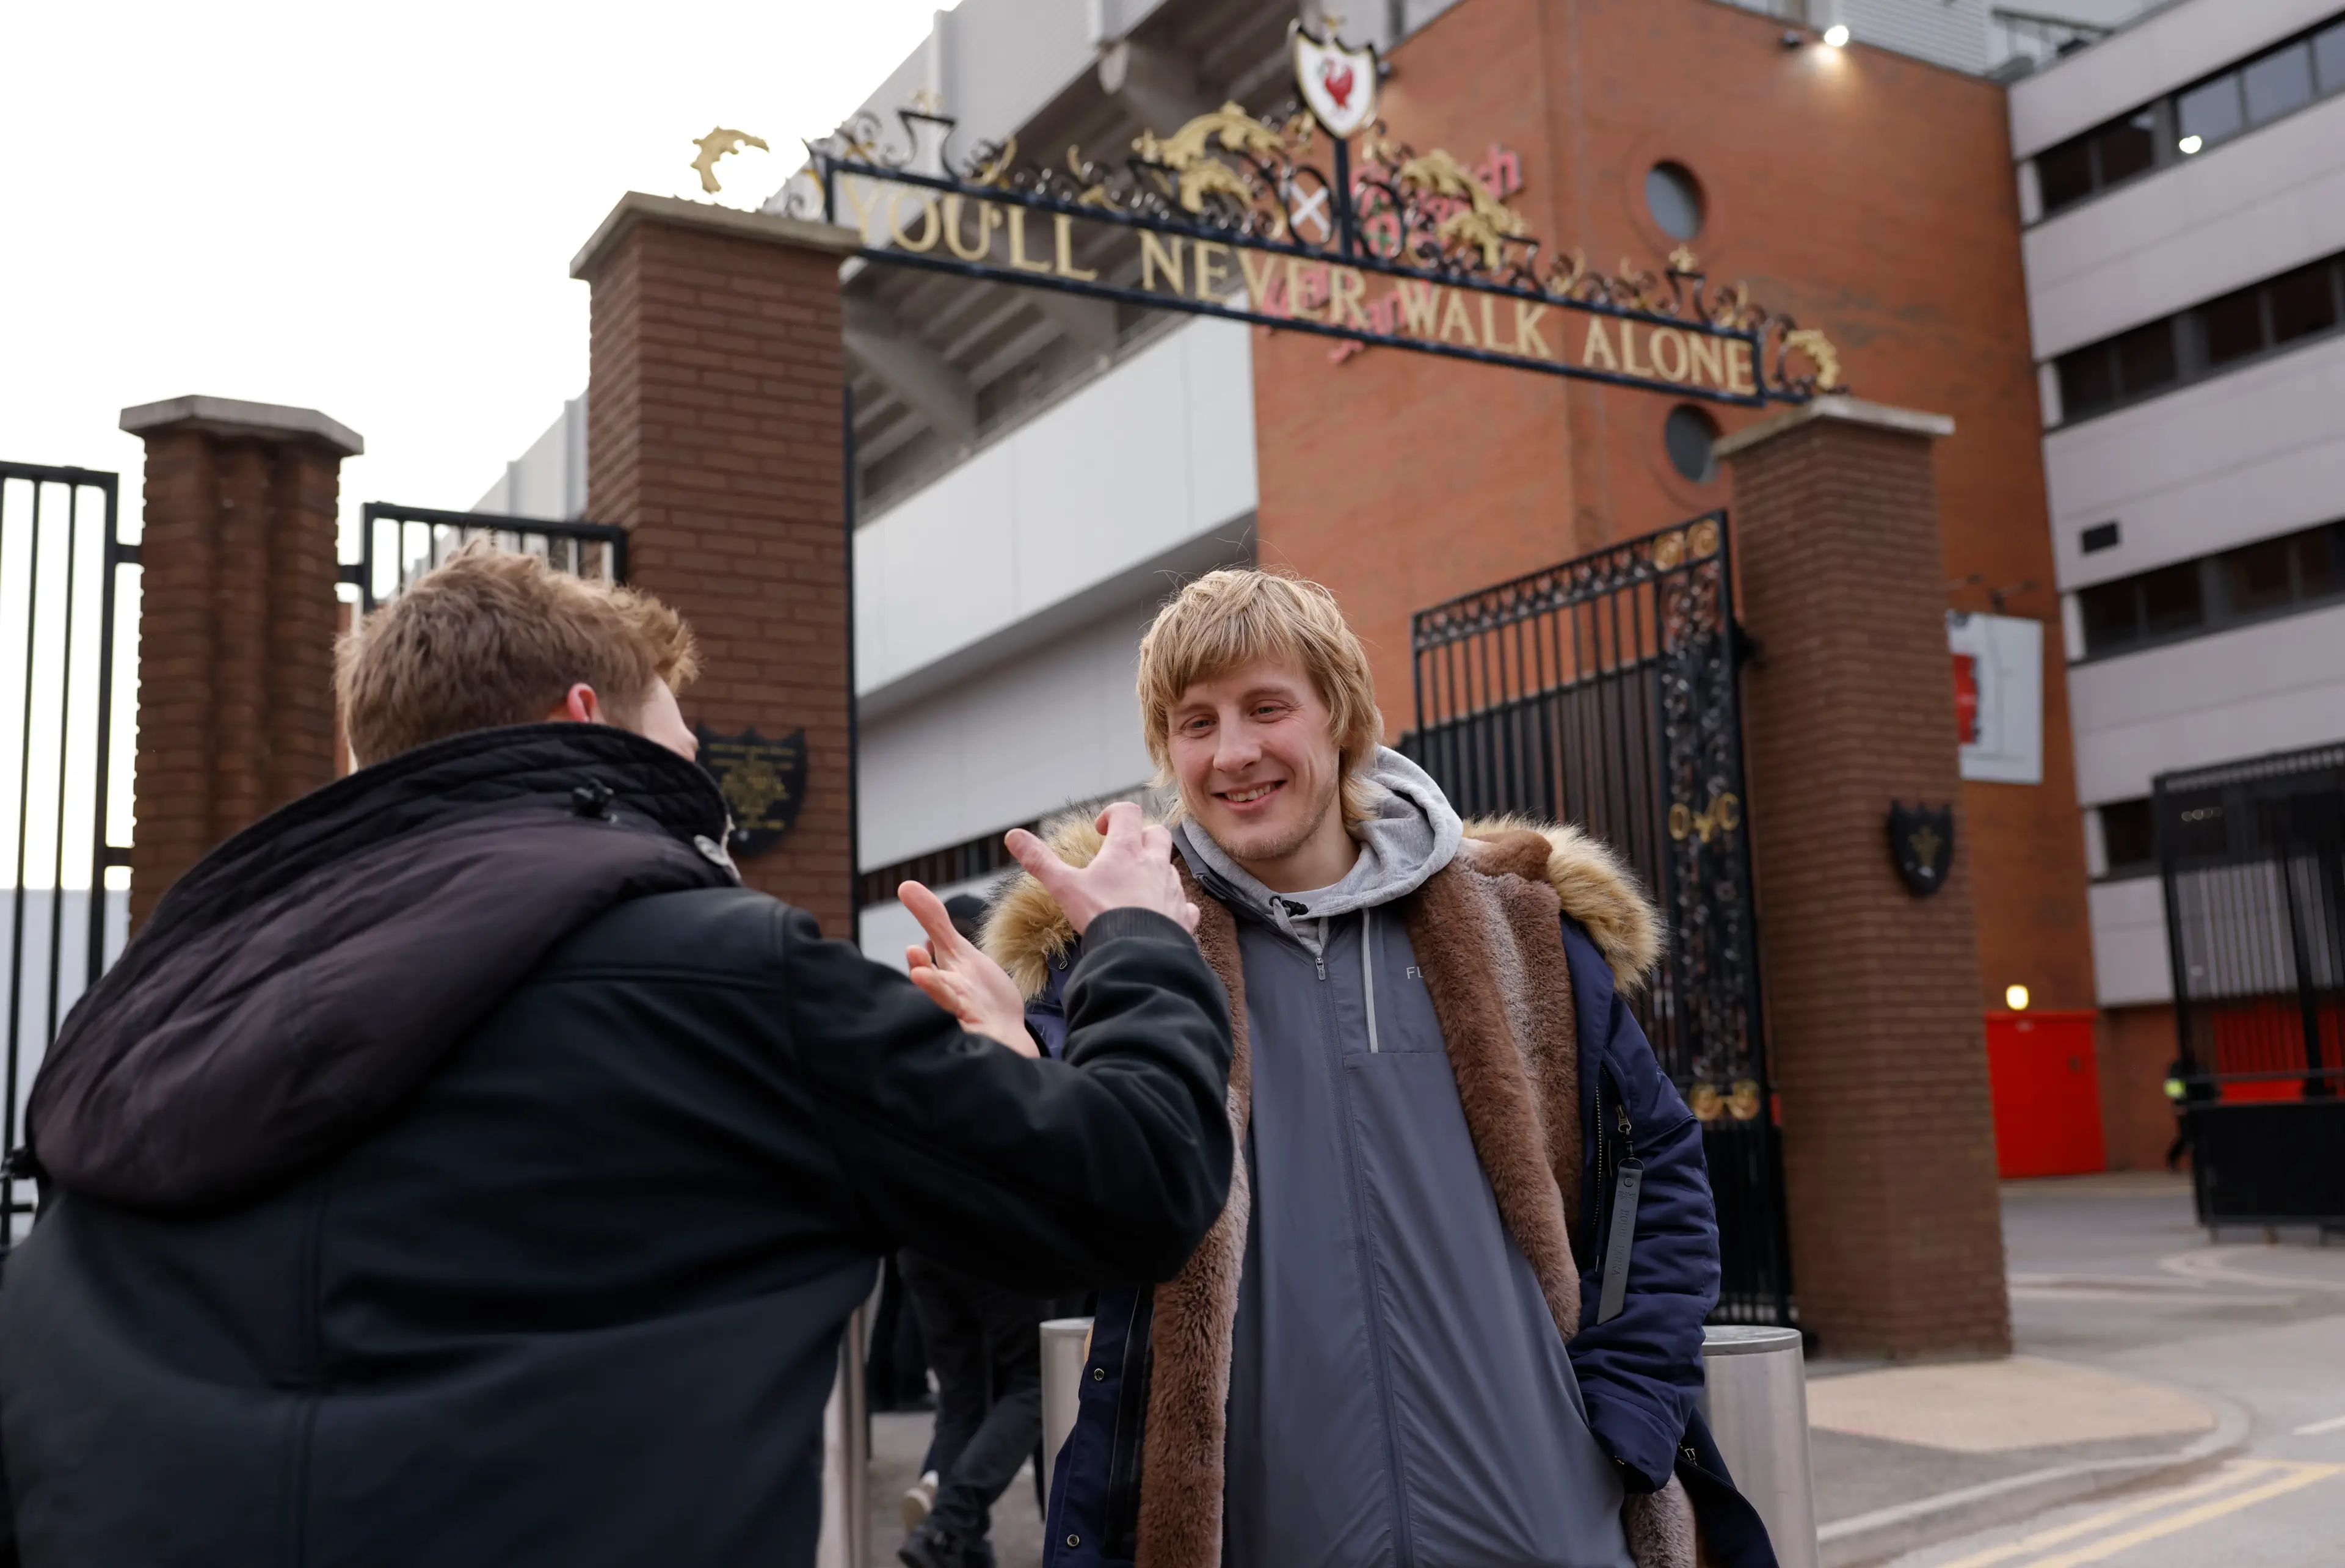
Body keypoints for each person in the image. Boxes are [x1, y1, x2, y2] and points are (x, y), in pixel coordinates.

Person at [0, 546, 1234, 1568]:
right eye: (682, 739)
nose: (698, 775)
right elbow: (1140, 1182)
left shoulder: (155, 1001)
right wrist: (1130, 936)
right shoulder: (723, 978)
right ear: (587, 717)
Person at [962, 569, 1772, 1568]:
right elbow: (1065, 1220)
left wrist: (1628, 1413)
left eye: (1267, 708)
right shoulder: (1125, 964)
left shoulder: (1518, 929)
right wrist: (1004, 1086)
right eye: (1196, 722)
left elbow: (1662, 1176)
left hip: (1550, 1526)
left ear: (1340, 715)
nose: (1234, 753)